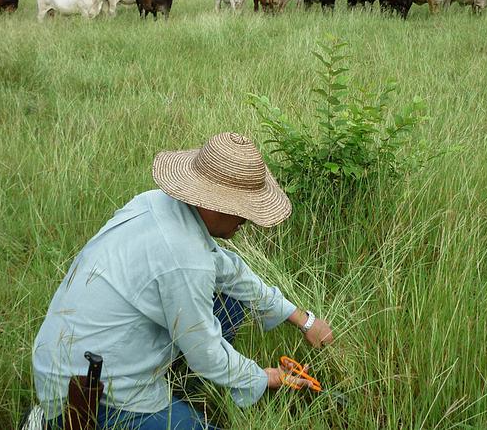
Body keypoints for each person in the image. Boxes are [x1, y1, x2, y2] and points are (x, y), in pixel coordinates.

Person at [32, 132, 334, 429]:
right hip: (90, 394)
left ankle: (179, 389)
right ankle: (55, 424)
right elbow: (206, 353)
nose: (247, 220)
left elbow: (229, 270)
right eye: (242, 209)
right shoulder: (185, 260)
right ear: (214, 203)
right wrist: (264, 377)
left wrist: (303, 320)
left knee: (230, 303)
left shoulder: (155, 203)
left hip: (66, 359)